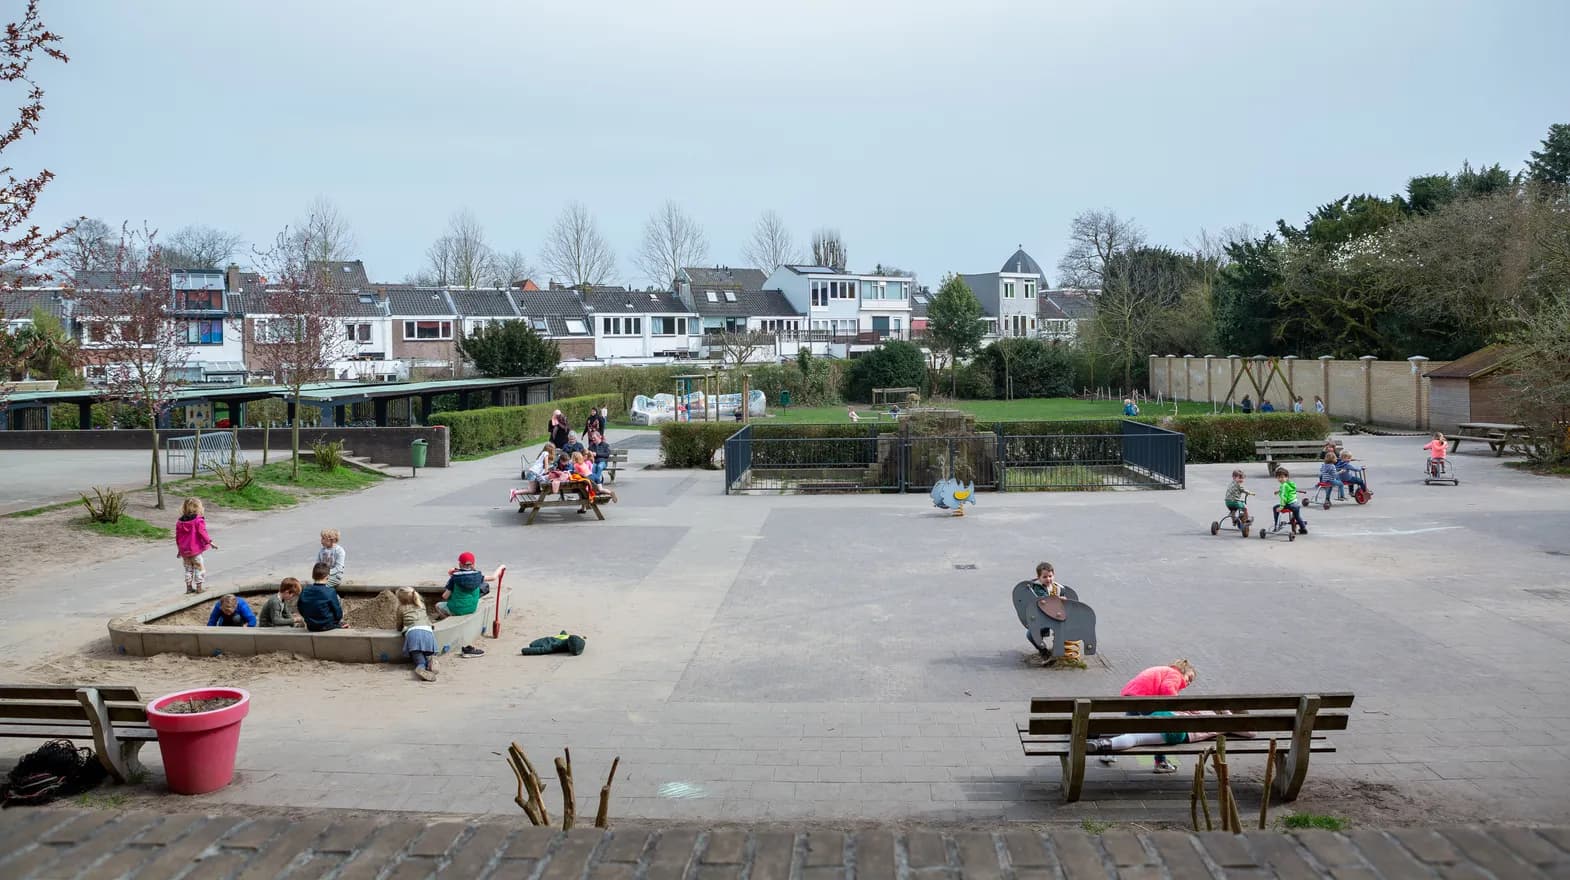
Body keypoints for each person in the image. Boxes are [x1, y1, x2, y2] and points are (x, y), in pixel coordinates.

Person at [1087, 660, 1200, 773]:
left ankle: (1109, 752)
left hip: (1132, 696)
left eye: (1191, 681)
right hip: (1145, 699)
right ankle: (1160, 762)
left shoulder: (1165, 671)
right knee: (1160, 728)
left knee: (1127, 727)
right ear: (1183, 670)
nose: (1189, 682)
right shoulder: (1176, 675)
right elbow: (1167, 688)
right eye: (1189, 678)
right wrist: (1177, 705)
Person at [436, 552, 489, 657]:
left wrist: (451, 580)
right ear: (473, 564)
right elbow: (493, 578)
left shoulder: (454, 578)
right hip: (472, 608)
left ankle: (449, 618)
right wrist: (501, 567)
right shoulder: (478, 576)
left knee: (438, 605)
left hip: (457, 609)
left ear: (460, 564)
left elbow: (445, 596)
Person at [174, 498, 215, 594]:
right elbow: (202, 532)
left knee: (188, 569)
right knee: (199, 568)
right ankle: (199, 587)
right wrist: (210, 542)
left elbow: (178, 537)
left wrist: (179, 550)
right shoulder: (198, 521)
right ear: (197, 508)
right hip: (195, 550)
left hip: (184, 551)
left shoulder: (179, 522)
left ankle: (188, 587)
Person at [397, 587, 438, 682]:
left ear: (400, 599)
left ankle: (421, 667)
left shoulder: (401, 608)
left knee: (418, 658)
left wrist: (400, 628)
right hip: (428, 632)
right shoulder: (421, 605)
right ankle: (431, 661)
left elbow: (399, 625)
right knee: (428, 653)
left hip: (414, 634)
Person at [297, 562, 347, 632]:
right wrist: (337, 620)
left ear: (313, 576)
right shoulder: (330, 591)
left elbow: (300, 607)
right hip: (326, 625)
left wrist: (308, 618)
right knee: (338, 599)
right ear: (328, 576)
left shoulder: (305, 590)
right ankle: (337, 624)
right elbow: (338, 612)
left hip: (310, 626)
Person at [1273, 467, 1306, 533]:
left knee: (1275, 508)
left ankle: (1277, 525)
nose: (1280, 479)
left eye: (1282, 477)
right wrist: (1279, 491)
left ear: (1287, 477)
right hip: (1296, 504)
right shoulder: (1290, 484)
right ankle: (1303, 528)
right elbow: (1289, 490)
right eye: (1278, 477)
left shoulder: (1283, 486)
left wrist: (1281, 507)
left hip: (1290, 505)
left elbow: (1284, 497)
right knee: (1297, 517)